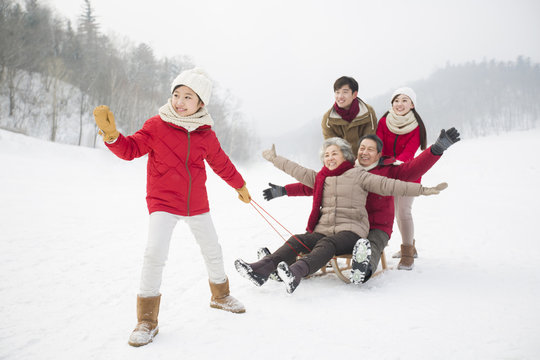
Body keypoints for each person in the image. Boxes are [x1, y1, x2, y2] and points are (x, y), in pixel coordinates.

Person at [93, 67, 251, 347]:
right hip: (163, 201)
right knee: (154, 253)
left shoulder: (206, 135)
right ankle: (147, 320)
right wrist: (112, 137)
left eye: (187, 97)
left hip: (196, 203)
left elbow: (221, 163)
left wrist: (239, 185)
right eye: (176, 94)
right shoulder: (156, 125)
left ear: (200, 103)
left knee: (212, 248)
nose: (179, 101)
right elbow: (130, 150)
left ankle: (221, 295)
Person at [234, 138, 447, 294]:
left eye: (334, 153)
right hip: (324, 229)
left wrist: (423, 190)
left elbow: (390, 184)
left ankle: (296, 272)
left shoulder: (359, 175)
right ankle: (259, 270)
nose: (330, 157)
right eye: (326, 155)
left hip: (351, 231)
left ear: (345, 155)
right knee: (297, 240)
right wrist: (274, 159)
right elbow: (297, 171)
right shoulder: (322, 178)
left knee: (327, 244)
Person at [376, 87, 427, 270]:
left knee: (404, 212)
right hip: (387, 174)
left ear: (412, 105)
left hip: (408, 174)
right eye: (397, 100)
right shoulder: (383, 122)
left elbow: (409, 153)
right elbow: (378, 144)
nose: (400, 104)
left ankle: (407, 254)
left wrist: (392, 161)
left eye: (405, 100)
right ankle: (408, 247)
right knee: (393, 212)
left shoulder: (416, 126)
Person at [322, 76, 378, 155]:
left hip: (365, 158)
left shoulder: (368, 112)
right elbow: (333, 148)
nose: (340, 96)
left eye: (345, 92)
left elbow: (369, 141)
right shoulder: (328, 119)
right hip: (341, 161)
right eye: (337, 92)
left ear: (354, 94)